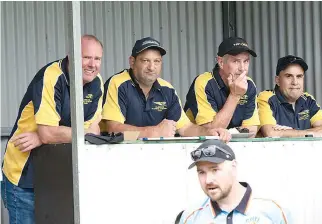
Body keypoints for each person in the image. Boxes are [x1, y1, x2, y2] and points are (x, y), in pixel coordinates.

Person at [1, 35, 104, 224]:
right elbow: (80, 133)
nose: (92, 64)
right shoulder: (51, 76)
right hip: (25, 177)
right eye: (86, 57)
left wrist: (44, 136)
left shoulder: (97, 83)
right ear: (71, 55)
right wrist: (50, 134)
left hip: (60, 177)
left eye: (97, 59)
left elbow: (94, 130)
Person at [101, 37, 231, 142]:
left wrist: (210, 133)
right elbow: (114, 131)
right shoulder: (118, 83)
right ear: (132, 62)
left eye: (157, 61)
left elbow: (185, 128)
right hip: (118, 157)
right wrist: (152, 132)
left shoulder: (167, 89)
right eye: (145, 60)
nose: (152, 67)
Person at [179, 139, 291, 223]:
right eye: (201, 172)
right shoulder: (191, 217)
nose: (208, 180)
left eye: (215, 170)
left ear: (233, 167)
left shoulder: (273, 211)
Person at [184, 37, 260, 137]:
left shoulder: (249, 84)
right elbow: (212, 132)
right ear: (221, 62)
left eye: (246, 61)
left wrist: (231, 133)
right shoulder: (204, 82)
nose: (242, 69)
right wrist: (234, 95)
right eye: (236, 61)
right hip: (196, 146)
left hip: (234, 144)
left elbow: (251, 130)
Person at [257, 55, 322, 137]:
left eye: (299, 76)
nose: (295, 82)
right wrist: (313, 132)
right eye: (288, 76)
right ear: (277, 80)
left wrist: (290, 131)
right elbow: (271, 133)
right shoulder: (266, 98)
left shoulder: (308, 99)